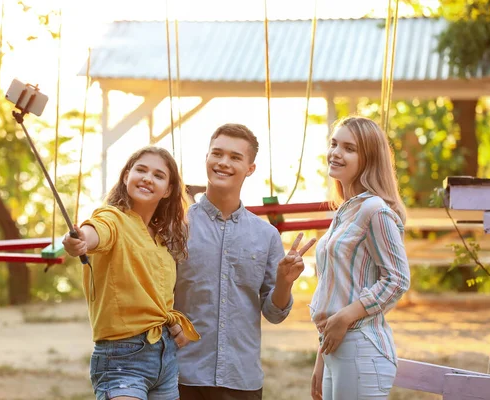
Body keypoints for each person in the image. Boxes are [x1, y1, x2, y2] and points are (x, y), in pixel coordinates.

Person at [174, 123, 316, 400]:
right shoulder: (177, 227)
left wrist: (285, 283)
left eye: (235, 157)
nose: (223, 163)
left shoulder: (266, 235)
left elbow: (274, 314)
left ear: (250, 168)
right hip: (181, 376)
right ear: (206, 158)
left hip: (242, 380)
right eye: (217, 154)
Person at [62, 145, 200, 400]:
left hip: (165, 359)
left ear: (168, 190)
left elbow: (156, 299)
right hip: (121, 359)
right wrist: (80, 239)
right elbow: (96, 232)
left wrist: (173, 323)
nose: (148, 178)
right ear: (126, 176)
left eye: (159, 175)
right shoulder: (112, 218)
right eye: (141, 170)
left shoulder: (160, 241)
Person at [309, 116, 411, 400]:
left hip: (362, 348)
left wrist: (345, 317)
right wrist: (322, 356)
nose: (336, 153)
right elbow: (337, 291)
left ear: (369, 159)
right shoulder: (343, 213)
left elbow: (398, 279)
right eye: (334, 144)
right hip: (336, 349)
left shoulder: (374, 210)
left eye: (349, 148)